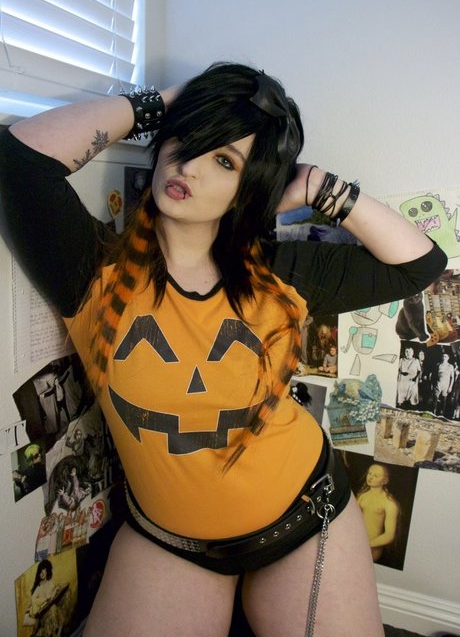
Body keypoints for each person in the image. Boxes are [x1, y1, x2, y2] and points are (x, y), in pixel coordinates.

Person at [0, 62, 446, 636]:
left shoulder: (281, 274)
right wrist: (174, 101)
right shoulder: (93, 271)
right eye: (187, 141)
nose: (188, 165)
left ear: (249, 188)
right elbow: (19, 160)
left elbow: (419, 265)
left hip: (301, 515)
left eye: (226, 162)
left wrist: (316, 186)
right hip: (170, 540)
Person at [356, 464, 400, 563]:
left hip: (372, 549)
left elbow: (389, 536)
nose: (370, 477)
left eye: (375, 476)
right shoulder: (362, 497)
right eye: (369, 473)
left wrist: (366, 545)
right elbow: (352, 520)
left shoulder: (389, 503)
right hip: (356, 543)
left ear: (385, 481)